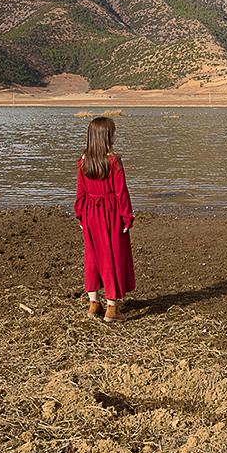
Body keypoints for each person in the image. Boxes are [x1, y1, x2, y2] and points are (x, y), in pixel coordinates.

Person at [74, 115, 135, 321]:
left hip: (90, 212)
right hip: (110, 213)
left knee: (92, 257)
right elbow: (121, 193)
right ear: (105, 136)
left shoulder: (84, 160)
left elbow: (80, 191)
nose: (116, 134)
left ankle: (94, 304)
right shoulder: (114, 160)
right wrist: (127, 217)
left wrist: (81, 215)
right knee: (112, 256)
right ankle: (112, 308)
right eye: (114, 131)